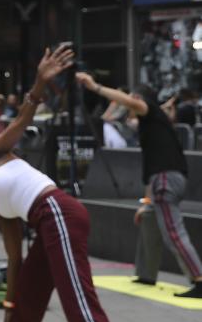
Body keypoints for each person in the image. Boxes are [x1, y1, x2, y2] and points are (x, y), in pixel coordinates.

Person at [0, 45, 118, 322]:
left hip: (59, 211)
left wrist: (40, 82)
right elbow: (15, 262)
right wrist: (9, 308)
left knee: (77, 296)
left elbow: (22, 120)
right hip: (49, 222)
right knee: (31, 286)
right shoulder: (1, 209)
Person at [75, 74, 202, 298]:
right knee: (148, 218)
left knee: (173, 233)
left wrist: (95, 87)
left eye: (131, 99)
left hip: (166, 179)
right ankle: (146, 274)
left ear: (137, 98)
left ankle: (199, 278)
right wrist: (146, 202)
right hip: (161, 179)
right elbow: (151, 168)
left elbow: (131, 103)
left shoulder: (150, 110)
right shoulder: (153, 120)